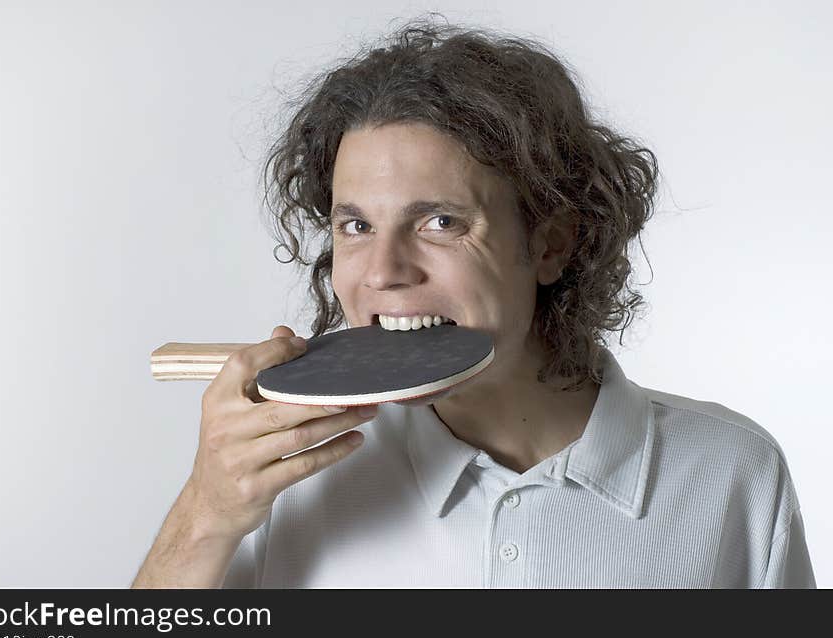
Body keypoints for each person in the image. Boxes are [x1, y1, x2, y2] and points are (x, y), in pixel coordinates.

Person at [132, 18, 816, 588]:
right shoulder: (283, 477)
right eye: (357, 225)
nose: (384, 272)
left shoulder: (734, 474)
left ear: (552, 242)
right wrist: (205, 513)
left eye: (441, 222)